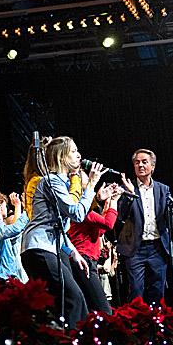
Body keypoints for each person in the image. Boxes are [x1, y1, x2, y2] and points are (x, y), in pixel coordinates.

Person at [21, 136, 104, 327]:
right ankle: (74, 343)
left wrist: (73, 252)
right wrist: (91, 185)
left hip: (48, 247)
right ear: (61, 157)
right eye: (73, 151)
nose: (79, 155)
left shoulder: (61, 183)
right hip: (39, 247)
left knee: (58, 305)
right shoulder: (51, 181)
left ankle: (59, 340)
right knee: (73, 298)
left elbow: (60, 227)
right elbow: (77, 213)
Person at [115, 149, 173, 305]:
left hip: (157, 248)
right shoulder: (127, 187)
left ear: (152, 166)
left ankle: (156, 320)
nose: (140, 165)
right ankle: (135, 320)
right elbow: (121, 215)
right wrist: (129, 195)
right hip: (135, 248)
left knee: (157, 290)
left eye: (144, 162)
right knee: (136, 290)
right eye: (137, 163)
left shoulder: (162, 189)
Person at [68, 181, 120, 314]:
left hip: (86, 261)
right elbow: (108, 224)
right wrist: (114, 201)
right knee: (104, 310)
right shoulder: (82, 211)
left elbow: (100, 230)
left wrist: (108, 203)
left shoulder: (86, 212)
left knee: (92, 309)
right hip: (82, 261)